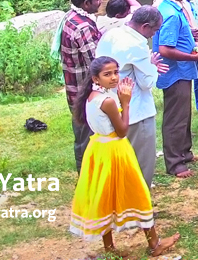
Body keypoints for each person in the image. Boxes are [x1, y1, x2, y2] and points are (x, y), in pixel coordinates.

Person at [69, 57, 180, 257]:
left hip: (98, 150)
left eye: (115, 72)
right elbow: (121, 131)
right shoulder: (109, 101)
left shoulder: (92, 96)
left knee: (105, 197)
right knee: (138, 193)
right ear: (96, 78)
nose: (113, 78)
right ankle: (154, 244)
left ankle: (109, 248)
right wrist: (126, 103)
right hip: (116, 151)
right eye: (107, 74)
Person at [95, 6, 167, 187]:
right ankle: (138, 207)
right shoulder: (137, 44)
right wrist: (152, 66)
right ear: (145, 26)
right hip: (136, 112)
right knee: (140, 163)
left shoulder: (111, 34)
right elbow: (147, 82)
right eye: (154, 30)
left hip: (111, 107)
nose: (153, 36)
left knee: (119, 160)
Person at [153, 0, 198, 178]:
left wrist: (189, 35)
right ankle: (175, 162)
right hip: (175, 72)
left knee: (183, 115)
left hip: (182, 71)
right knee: (175, 118)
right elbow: (165, 49)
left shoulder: (172, 9)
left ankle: (185, 152)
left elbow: (175, 37)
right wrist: (195, 57)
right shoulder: (170, 13)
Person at [60, 0, 103, 173]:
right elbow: (97, 62)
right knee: (88, 137)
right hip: (84, 92)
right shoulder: (83, 27)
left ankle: (85, 175)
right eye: (98, 0)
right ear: (86, 3)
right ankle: (88, 178)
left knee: (81, 135)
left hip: (73, 90)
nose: (101, 3)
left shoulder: (70, 17)